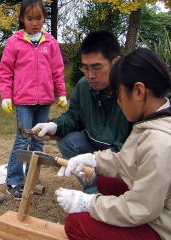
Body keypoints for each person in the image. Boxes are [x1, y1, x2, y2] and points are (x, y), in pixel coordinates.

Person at [55, 48, 171, 240]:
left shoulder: (160, 142)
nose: (117, 102)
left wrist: (89, 203)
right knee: (104, 181)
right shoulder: (155, 118)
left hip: (163, 226)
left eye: (119, 94)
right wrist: (94, 160)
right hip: (158, 205)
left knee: (76, 225)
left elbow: (140, 208)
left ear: (139, 91)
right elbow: (129, 162)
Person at [32, 31, 132, 193]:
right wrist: (54, 126)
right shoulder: (84, 85)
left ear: (116, 62)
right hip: (95, 143)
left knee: (120, 181)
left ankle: (121, 192)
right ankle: (93, 191)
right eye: (85, 68)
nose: (90, 75)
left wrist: (99, 158)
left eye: (96, 67)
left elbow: (136, 142)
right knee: (68, 141)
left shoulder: (132, 90)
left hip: (123, 154)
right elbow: (74, 116)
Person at [0, 0, 67, 199]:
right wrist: (6, 97)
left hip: (44, 101)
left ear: (44, 18)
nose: (35, 22)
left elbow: (57, 70)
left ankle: (31, 180)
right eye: (30, 18)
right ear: (22, 19)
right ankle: (14, 181)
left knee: (38, 141)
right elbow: (5, 72)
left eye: (39, 18)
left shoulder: (51, 42)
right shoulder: (14, 42)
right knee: (22, 140)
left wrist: (61, 93)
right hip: (23, 101)